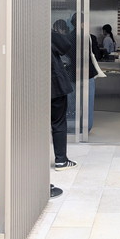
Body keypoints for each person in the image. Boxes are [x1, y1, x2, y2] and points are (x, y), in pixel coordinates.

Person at [51, 29, 78, 173]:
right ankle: (61, 160)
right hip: (54, 85)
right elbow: (66, 45)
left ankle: (31, 160)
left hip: (31, 89)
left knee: (31, 125)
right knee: (58, 122)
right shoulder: (45, 32)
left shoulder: (17, 33)